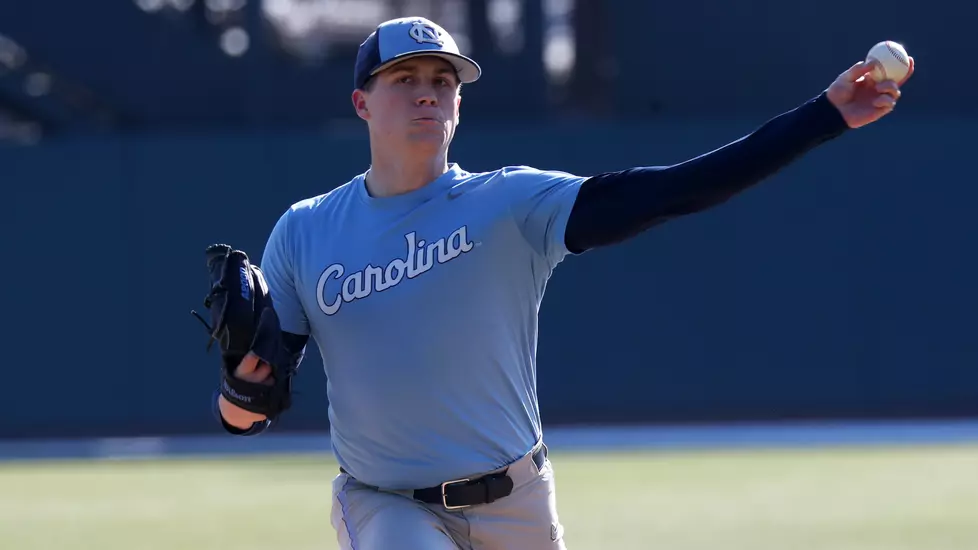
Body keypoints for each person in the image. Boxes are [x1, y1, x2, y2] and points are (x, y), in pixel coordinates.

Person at [213, 16, 912, 550]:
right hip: (387, 503)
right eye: (405, 80)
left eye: (442, 82)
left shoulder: (511, 204)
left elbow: (673, 192)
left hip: (517, 501)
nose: (428, 95)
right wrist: (242, 390)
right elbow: (253, 400)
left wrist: (821, 118)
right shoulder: (307, 230)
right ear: (363, 103)